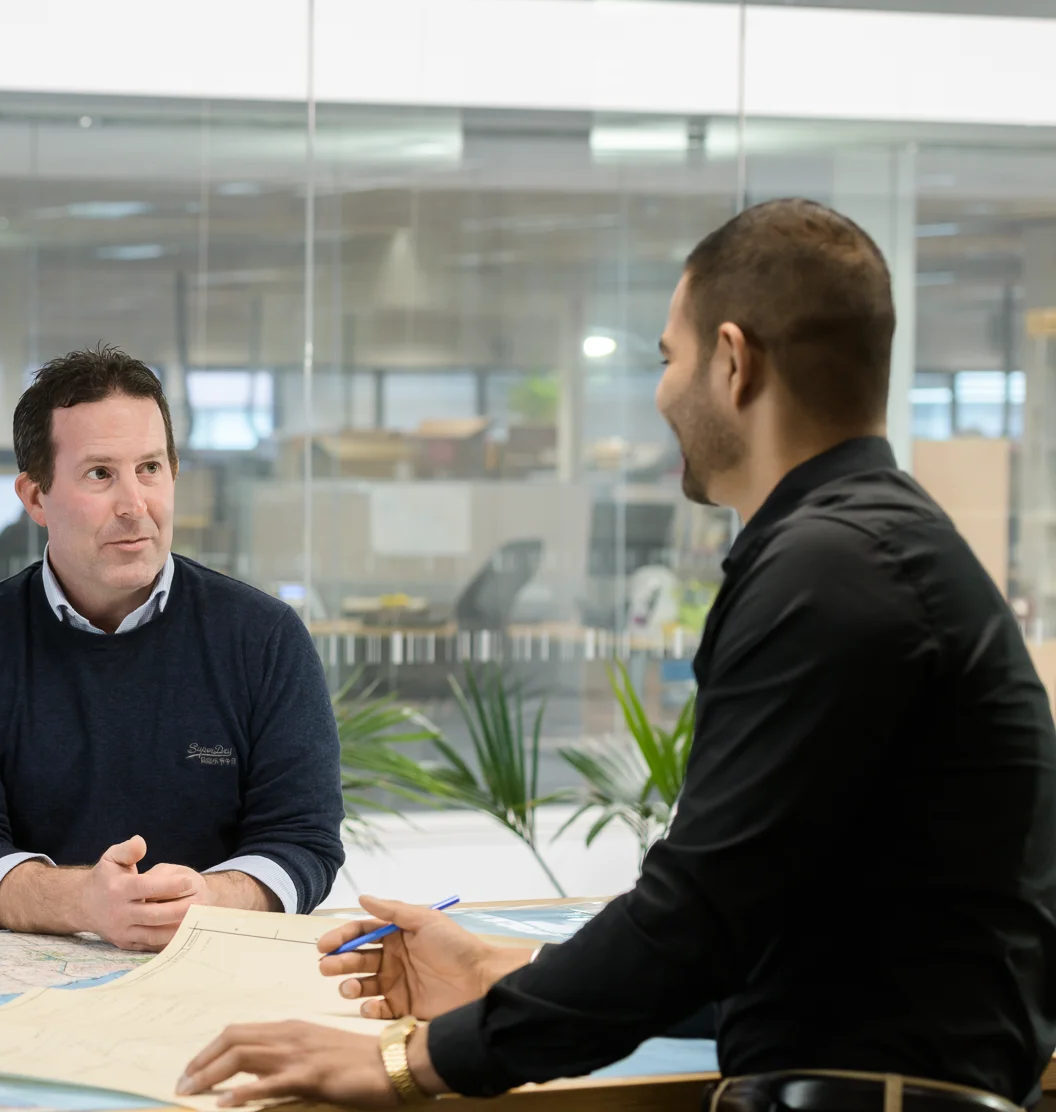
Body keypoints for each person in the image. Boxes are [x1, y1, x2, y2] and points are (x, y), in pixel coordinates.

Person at [181, 198, 1056, 1107]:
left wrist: (406, 1063)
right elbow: (773, 925)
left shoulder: (833, 573)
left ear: (732, 360)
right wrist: (496, 966)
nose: (660, 393)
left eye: (668, 359)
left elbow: (699, 916)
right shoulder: (872, 550)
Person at [0, 346, 343, 951]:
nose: (135, 505)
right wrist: (87, 902)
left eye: (150, 468)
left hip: (221, 970)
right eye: (100, 474)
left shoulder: (264, 638)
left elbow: (304, 841)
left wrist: (204, 902)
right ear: (34, 498)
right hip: (27, 995)